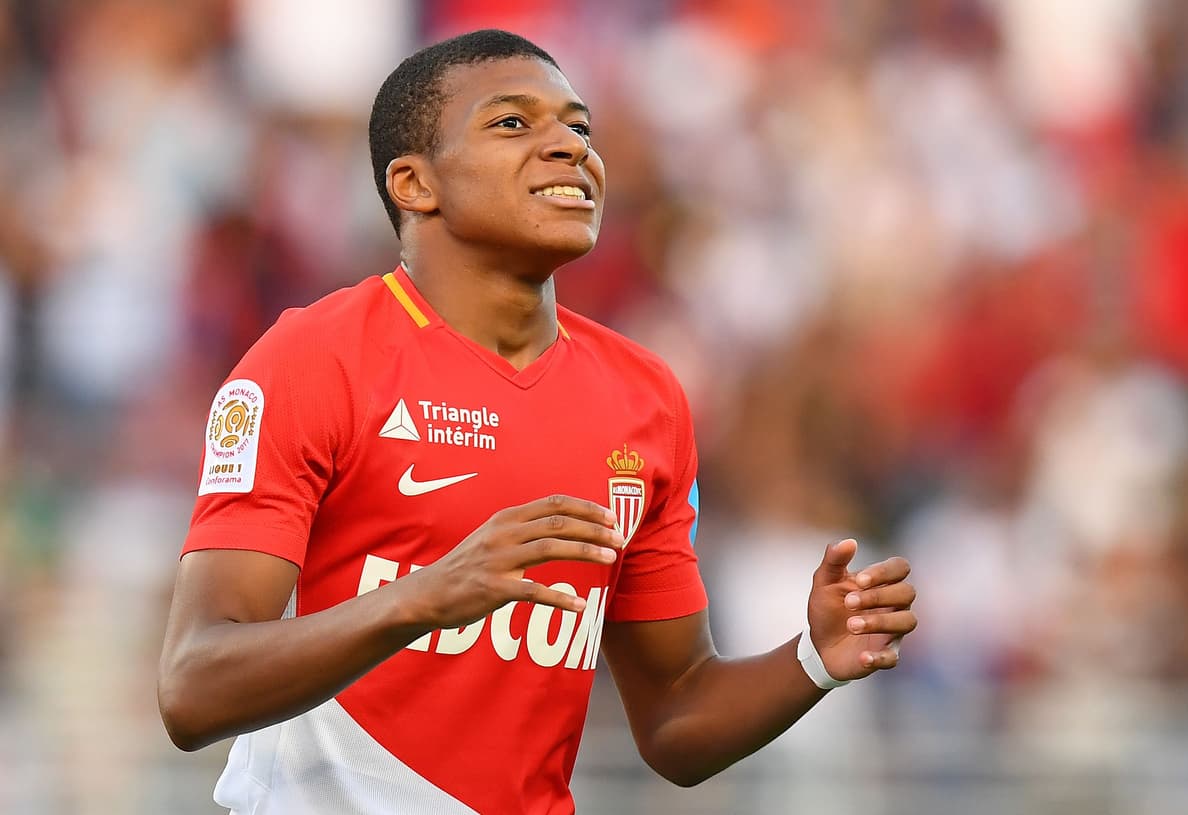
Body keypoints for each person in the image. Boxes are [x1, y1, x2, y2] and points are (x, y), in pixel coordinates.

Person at [157, 29, 917, 815]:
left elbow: (675, 714)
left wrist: (813, 660)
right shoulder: (315, 358)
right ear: (416, 183)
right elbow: (193, 686)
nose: (569, 149)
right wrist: (426, 595)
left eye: (580, 128)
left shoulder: (645, 397)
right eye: (513, 124)